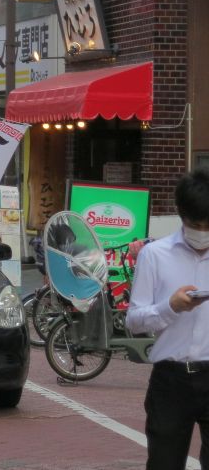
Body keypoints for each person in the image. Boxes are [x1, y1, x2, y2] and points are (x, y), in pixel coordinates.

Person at [127, 169, 209, 469]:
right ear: (181, 215)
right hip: (171, 378)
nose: (202, 231)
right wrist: (170, 307)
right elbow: (134, 321)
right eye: (195, 224)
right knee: (164, 463)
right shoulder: (155, 255)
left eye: (208, 225)